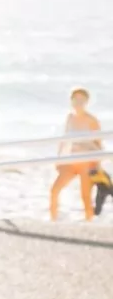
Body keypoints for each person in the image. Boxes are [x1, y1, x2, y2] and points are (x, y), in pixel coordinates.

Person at [51, 87, 103, 221]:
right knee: (54, 190)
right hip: (71, 161)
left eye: (81, 100)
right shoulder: (70, 117)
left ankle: (89, 224)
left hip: (86, 163)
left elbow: (98, 145)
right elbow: (64, 140)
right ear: (71, 101)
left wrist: (97, 165)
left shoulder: (92, 120)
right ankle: (53, 220)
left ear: (86, 102)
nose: (78, 103)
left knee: (85, 196)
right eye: (76, 99)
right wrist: (59, 159)